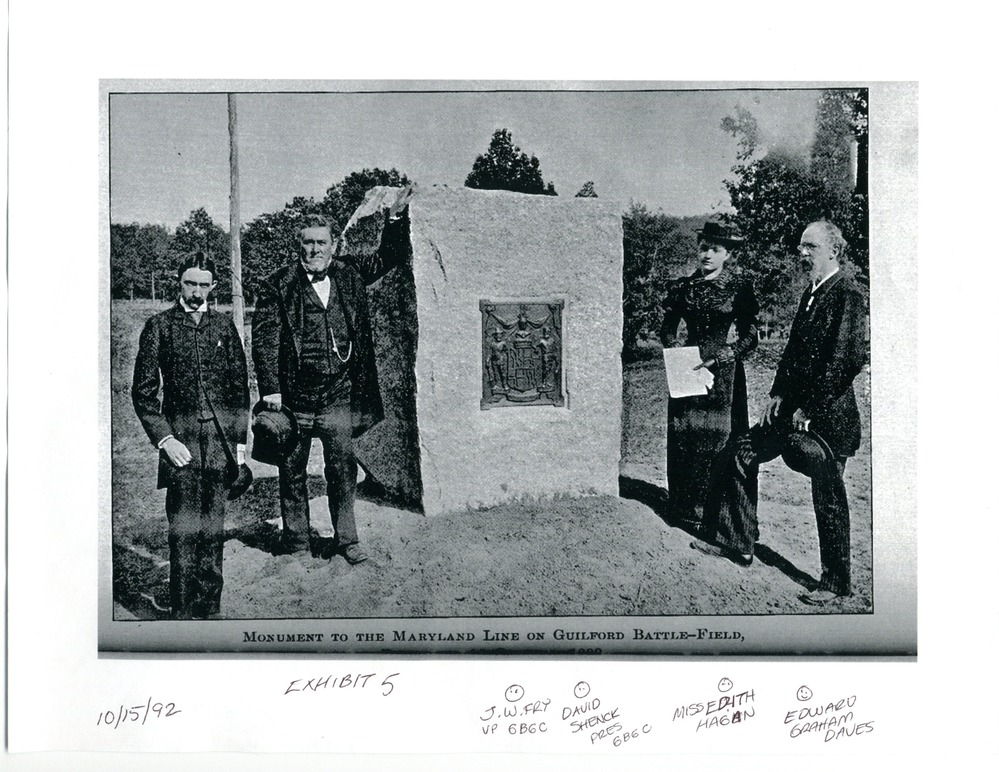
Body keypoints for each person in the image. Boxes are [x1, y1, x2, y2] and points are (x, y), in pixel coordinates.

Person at [690, 220, 868, 606]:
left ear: (834, 251)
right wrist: (776, 394)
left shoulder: (848, 295)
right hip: (791, 411)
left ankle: (836, 583)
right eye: (801, 247)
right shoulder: (812, 292)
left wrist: (810, 405)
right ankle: (737, 542)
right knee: (739, 451)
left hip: (828, 420)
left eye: (811, 248)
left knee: (829, 496)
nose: (802, 254)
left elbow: (847, 359)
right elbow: (793, 356)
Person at [251, 206, 409, 564]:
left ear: (333, 245)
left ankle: (347, 540)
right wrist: (271, 389)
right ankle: (296, 542)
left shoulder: (349, 273)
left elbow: (389, 256)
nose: (315, 250)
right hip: (294, 399)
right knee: (292, 472)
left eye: (322, 242)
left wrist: (396, 221)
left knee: (342, 469)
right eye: (308, 243)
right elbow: (264, 341)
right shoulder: (278, 284)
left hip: (338, 395)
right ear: (299, 247)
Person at [132, 252, 251, 619]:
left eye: (203, 284)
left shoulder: (224, 328)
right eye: (190, 283)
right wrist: (166, 440)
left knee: (213, 528)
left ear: (213, 286)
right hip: (181, 446)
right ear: (179, 283)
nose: (197, 291)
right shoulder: (160, 326)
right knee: (183, 530)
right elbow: (144, 393)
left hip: (219, 446)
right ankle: (182, 610)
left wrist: (240, 449)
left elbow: (238, 391)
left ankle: (209, 606)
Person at [660, 221, 759, 526]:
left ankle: (722, 516)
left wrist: (726, 355)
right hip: (688, 369)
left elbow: (751, 335)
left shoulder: (739, 288)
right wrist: (677, 352)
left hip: (724, 375)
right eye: (703, 247)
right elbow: (666, 329)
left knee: (720, 441)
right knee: (686, 438)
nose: (707, 254)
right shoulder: (682, 287)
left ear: (728, 254)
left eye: (715, 249)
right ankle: (687, 511)